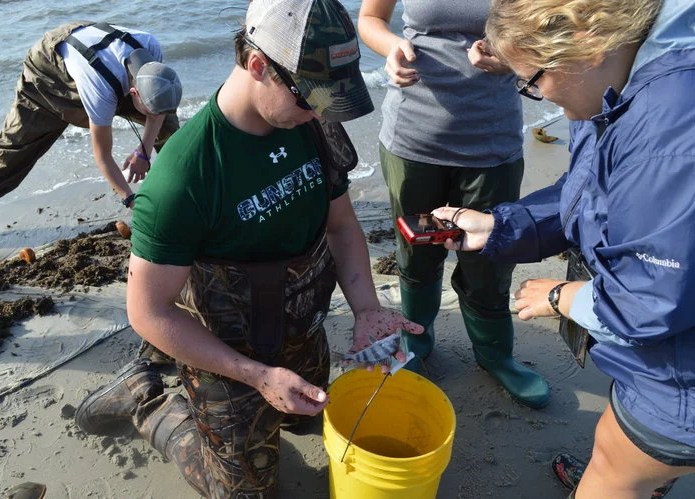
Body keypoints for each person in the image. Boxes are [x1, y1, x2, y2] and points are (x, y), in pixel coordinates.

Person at [74, 0, 423, 497]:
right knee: (246, 493)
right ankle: (146, 400)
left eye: (328, 99)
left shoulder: (314, 120)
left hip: (302, 325)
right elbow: (148, 311)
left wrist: (367, 309)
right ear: (258, 65)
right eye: (311, 98)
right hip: (228, 354)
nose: (320, 113)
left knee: (307, 421)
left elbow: (342, 227)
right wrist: (257, 377)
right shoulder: (184, 176)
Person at [433, 0, 695, 497]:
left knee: (617, 466)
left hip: (681, 379)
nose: (537, 98)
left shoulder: (669, 128)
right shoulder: (617, 79)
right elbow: (599, 191)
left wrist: (562, 297)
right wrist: (501, 225)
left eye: (532, 81)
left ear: (585, 47)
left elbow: (649, 300)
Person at [356, 0, 550, 408]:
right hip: (412, 138)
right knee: (416, 250)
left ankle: (495, 354)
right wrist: (392, 48)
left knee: (491, 257)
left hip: (492, 144)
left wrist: (515, 57)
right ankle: (417, 338)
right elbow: (371, 19)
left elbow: (554, 33)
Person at [0, 22, 182, 261]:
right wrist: (132, 202)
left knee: (171, 131)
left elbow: (159, 113)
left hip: (96, 63)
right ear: (133, 95)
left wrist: (143, 151)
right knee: (11, 155)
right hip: (49, 73)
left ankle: (183, 200)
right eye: (148, 109)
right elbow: (103, 157)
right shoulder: (99, 88)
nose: (154, 115)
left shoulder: (152, 51)